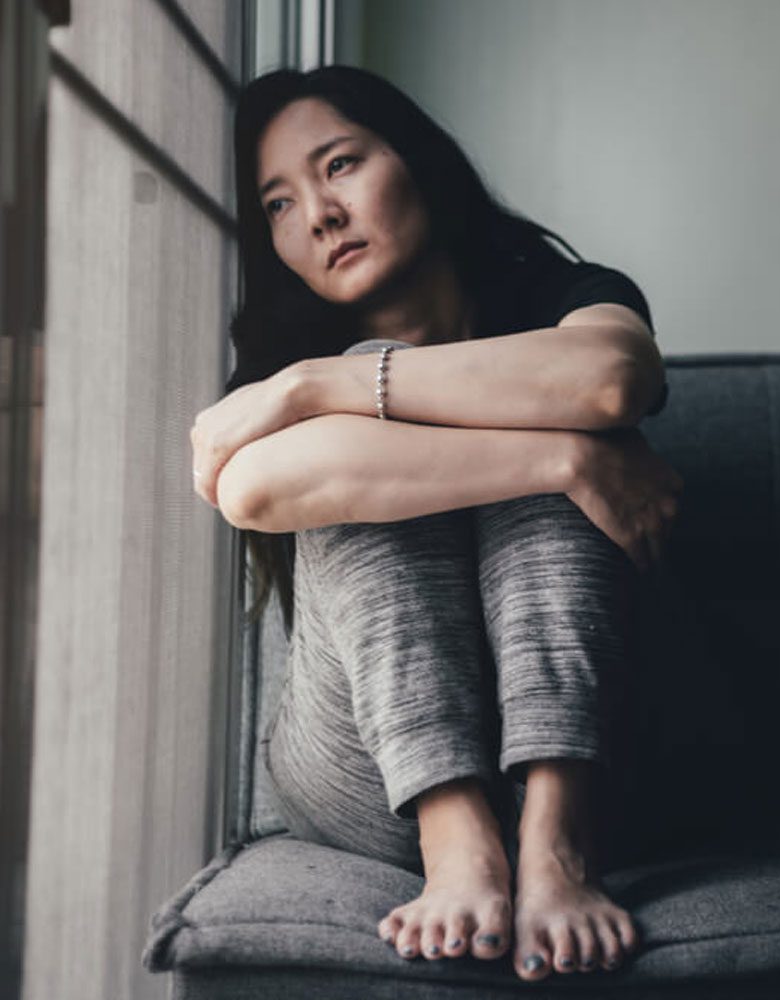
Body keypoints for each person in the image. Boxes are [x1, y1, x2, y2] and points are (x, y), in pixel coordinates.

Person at [189, 64, 683, 984]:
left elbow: (612, 377)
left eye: (339, 165)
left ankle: (552, 844)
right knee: (429, 437)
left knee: (543, 395)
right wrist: (565, 460)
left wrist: (315, 390)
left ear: (417, 161)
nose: (321, 215)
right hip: (366, 775)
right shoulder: (278, 361)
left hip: (595, 744)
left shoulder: (561, 294)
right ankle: (454, 838)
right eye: (280, 205)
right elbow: (255, 488)